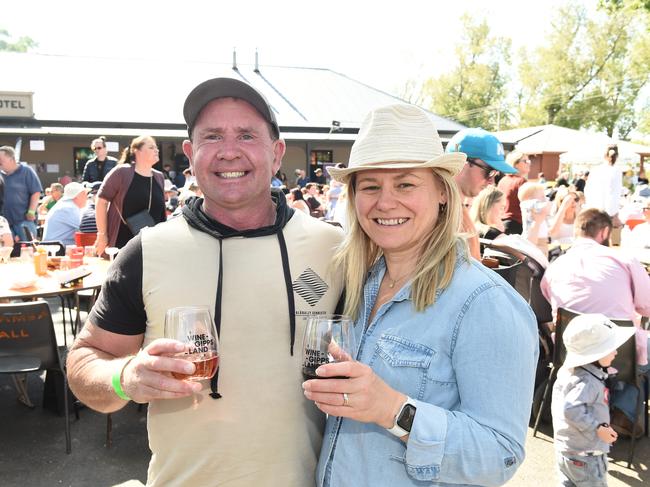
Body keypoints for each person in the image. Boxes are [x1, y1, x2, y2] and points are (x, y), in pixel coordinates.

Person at [66, 77, 345, 487]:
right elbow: (82, 363)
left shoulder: (333, 247)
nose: (229, 151)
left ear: (277, 152)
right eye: (212, 136)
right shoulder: (148, 250)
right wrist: (125, 378)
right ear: (191, 155)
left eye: (247, 135)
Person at [303, 104, 538, 486]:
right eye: (370, 186)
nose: (385, 202)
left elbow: (500, 455)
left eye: (405, 184)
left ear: (442, 194)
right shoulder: (358, 284)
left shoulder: (485, 302)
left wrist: (393, 410)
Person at [551, 314, 635, 487]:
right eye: (611, 348)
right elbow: (571, 409)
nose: (616, 352)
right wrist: (598, 428)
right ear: (596, 354)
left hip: (567, 450)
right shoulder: (587, 382)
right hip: (587, 455)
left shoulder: (573, 373)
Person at [445, 128, 517, 259]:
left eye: (495, 173)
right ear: (461, 162)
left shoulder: (457, 208)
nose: (492, 181)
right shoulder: (435, 210)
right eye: (489, 171)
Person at [94, 135, 166, 256]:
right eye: (151, 147)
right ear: (137, 151)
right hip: (122, 245)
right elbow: (101, 201)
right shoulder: (121, 172)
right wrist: (102, 235)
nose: (156, 150)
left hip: (151, 246)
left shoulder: (159, 177)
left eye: (156, 147)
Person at [0, 145, 42, 242]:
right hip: (5, 222)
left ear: (12, 159)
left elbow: (36, 192)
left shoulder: (26, 171)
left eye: (1, 161)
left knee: (29, 248)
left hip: (24, 220)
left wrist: (31, 211)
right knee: (8, 251)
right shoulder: (1, 175)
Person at [584, 145, 624, 244]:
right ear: (617, 155)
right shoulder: (616, 170)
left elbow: (588, 190)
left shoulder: (596, 170)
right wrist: (614, 213)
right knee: (611, 244)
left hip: (593, 211)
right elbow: (615, 193)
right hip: (609, 213)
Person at [497, 150, 531, 235]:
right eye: (525, 161)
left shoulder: (502, 181)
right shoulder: (521, 182)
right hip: (517, 226)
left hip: (502, 224)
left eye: (528, 161)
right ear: (515, 164)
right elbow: (530, 207)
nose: (529, 163)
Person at [519, 181, 552, 256]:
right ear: (530, 198)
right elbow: (541, 206)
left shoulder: (537, 207)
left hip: (542, 241)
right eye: (542, 196)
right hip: (533, 240)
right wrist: (548, 203)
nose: (545, 198)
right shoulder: (527, 204)